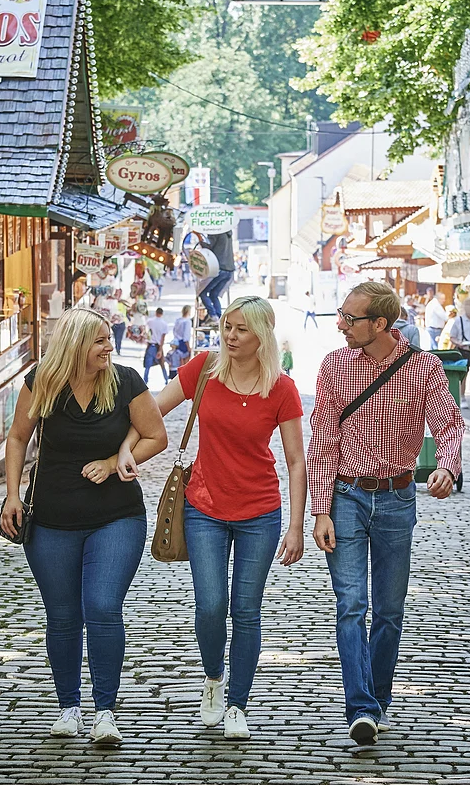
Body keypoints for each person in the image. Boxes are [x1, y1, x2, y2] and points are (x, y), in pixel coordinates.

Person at [121, 295, 306, 740]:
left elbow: (297, 461)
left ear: (261, 335)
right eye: (227, 326)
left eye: (241, 329)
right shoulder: (205, 367)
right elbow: (153, 408)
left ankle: (238, 704)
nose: (230, 335)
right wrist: (126, 447)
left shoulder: (280, 388)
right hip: (203, 506)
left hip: (260, 511)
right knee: (210, 606)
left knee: (246, 610)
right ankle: (213, 680)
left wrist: (297, 524)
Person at [0, 308, 168, 744]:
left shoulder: (126, 381)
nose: (108, 347)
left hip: (116, 516)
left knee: (102, 606)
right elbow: (17, 437)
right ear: (75, 344)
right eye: (99, 341)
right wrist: (13, 494)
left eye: (109, 339)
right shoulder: (43, 381)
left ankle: (105, 712)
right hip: (52, 518)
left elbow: (156, 436)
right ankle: (68, 707)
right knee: (63, 615)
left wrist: (115, 462)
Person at [308, 281, 464, 747]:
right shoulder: (335, 364)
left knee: (390, 610)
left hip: (398, 498)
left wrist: (448, 469)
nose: (340, 325)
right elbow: (323, 440)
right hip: (348, 495)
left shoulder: (424, 368)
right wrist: (320, 510)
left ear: (381, 324)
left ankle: (377, 700)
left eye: (350, 318)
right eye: (340, 313)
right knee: (351, 604)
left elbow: (449, 423)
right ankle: (360, 708)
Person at [199, 232, 236, 323]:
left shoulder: (216, 231)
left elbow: (208, 246)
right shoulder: (228, 233)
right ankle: (218, 317)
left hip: (219, 268)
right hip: (229, 270)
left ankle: (213, 315)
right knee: (214, 294)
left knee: (202, 293)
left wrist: (199, 237)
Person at [144, 307, 170, 384]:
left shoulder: (150, 321)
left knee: (147, 365)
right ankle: (166, 380)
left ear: (156, 312)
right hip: (158, 345)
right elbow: (163, 338)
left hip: (150, 344)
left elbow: (146, 331)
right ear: (162, 314)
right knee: (162, 364)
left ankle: (145, 379)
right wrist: (160, 350)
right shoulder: (164, 324)